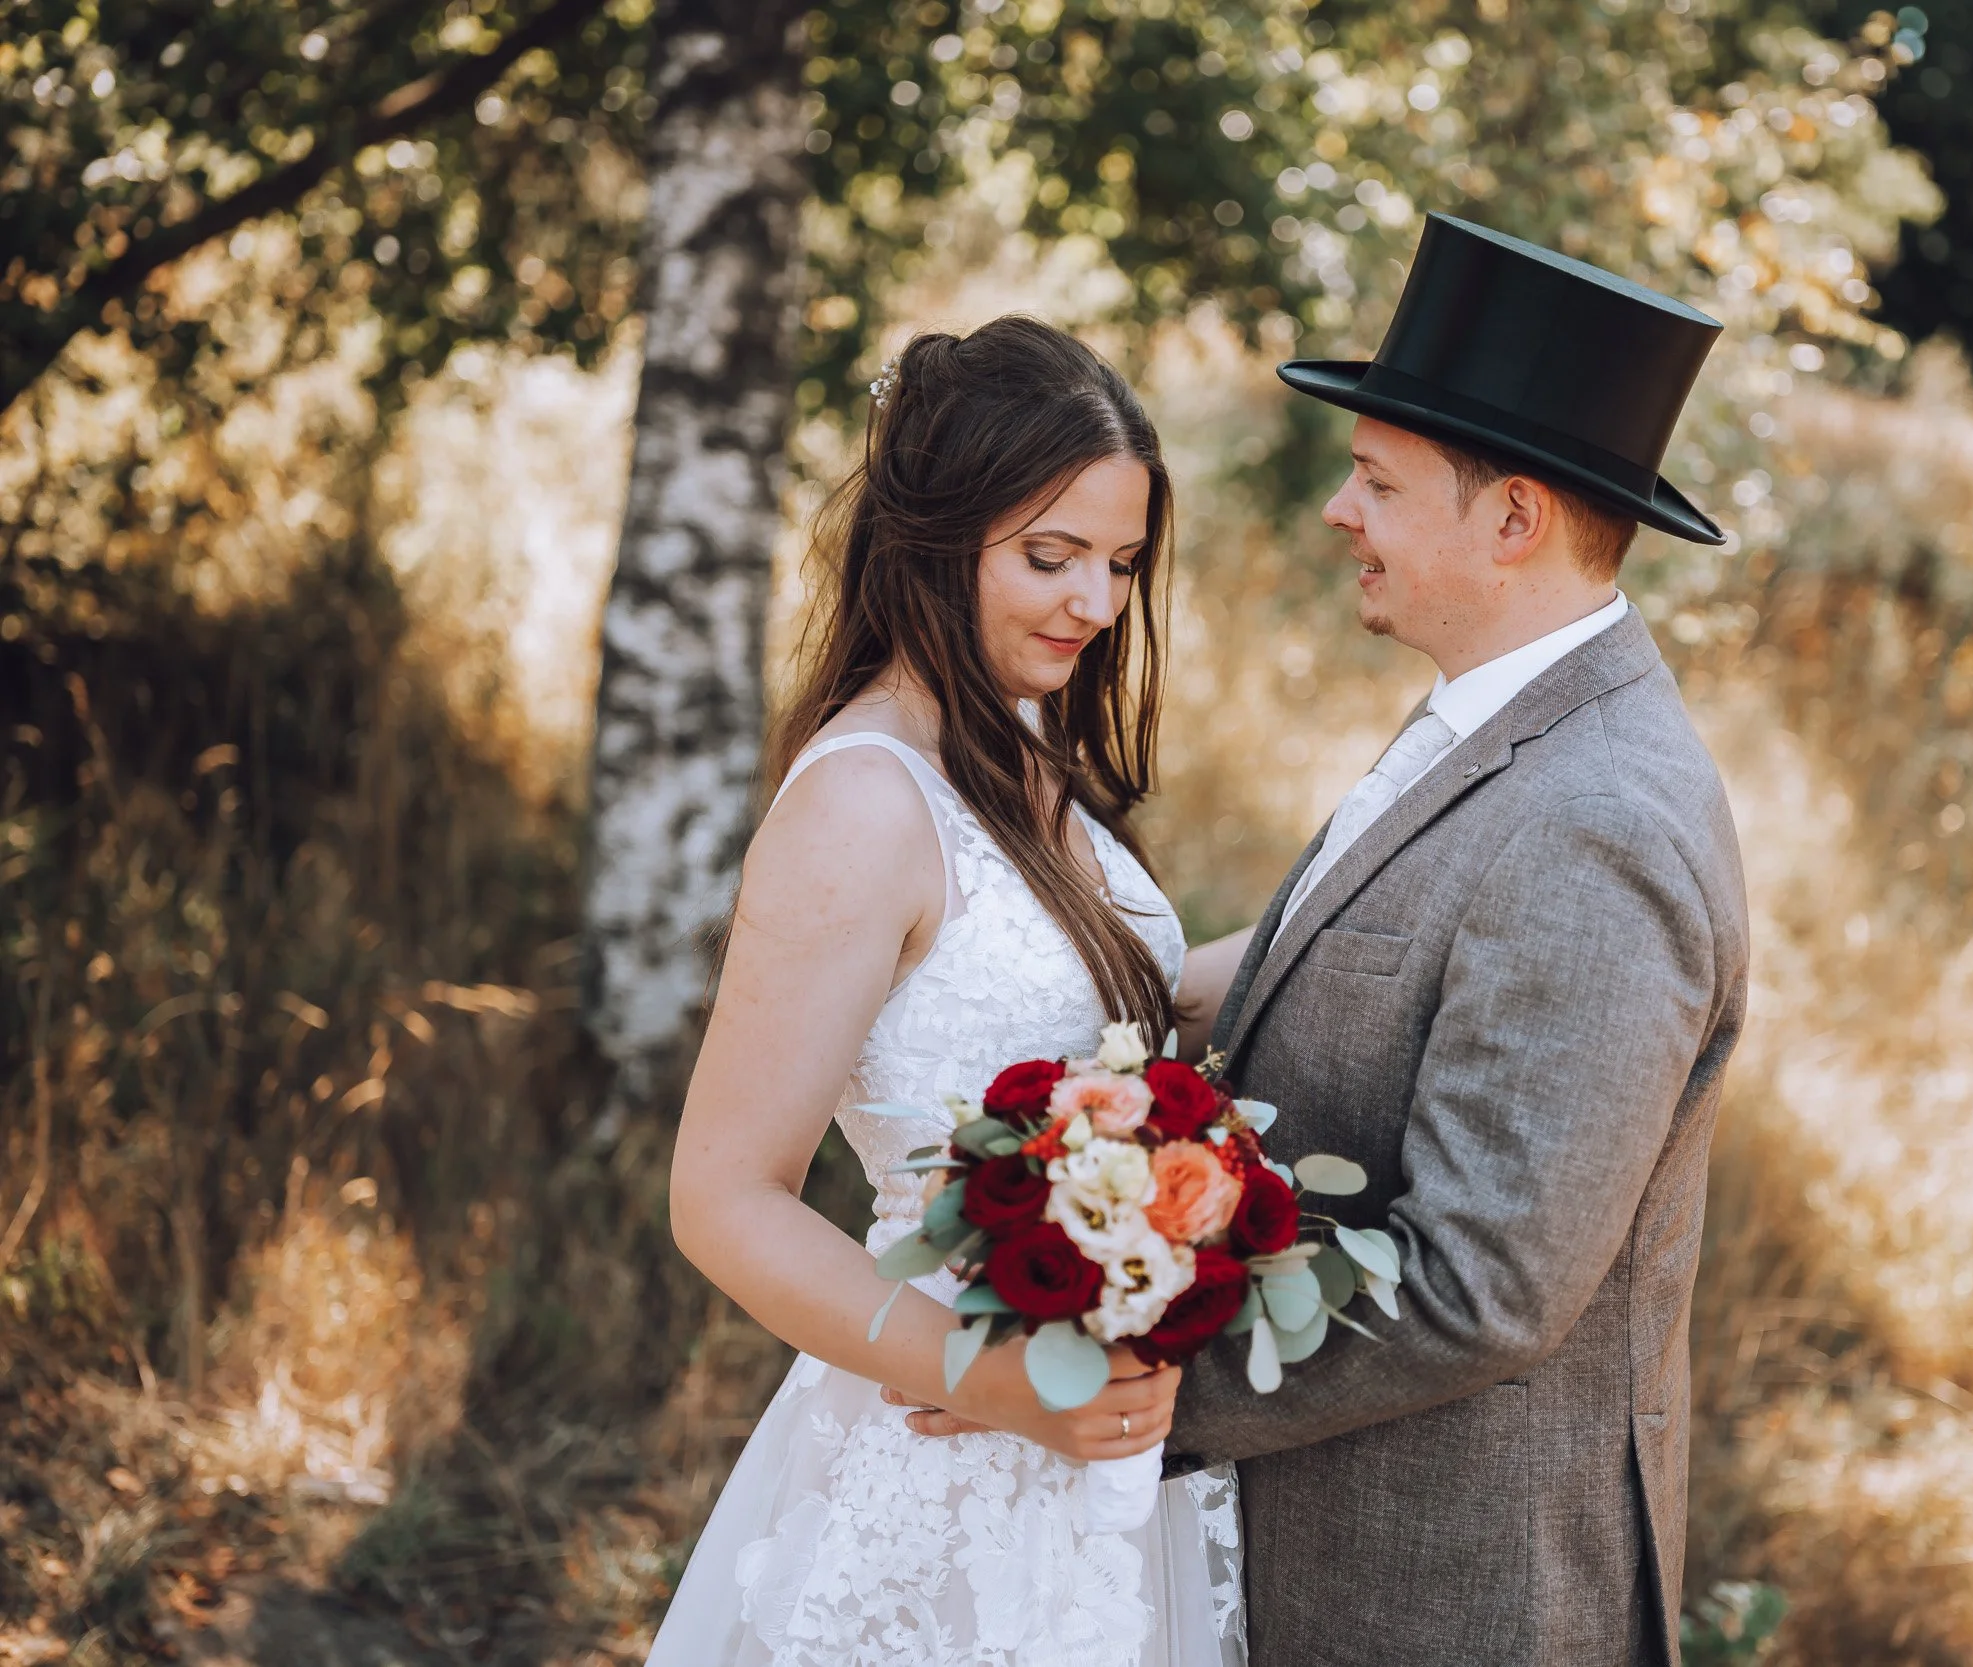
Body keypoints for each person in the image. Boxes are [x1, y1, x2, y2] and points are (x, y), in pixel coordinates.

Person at [903, 215, 1751, 1665]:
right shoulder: (1487, 720)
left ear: (1513, 520)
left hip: (1448, 1596)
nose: (1336, 513)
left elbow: (1486, 1283)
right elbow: (1342, 955)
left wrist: (1130, 1379)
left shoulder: (1598, 820)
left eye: (1375, 479)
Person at [651, 316, 1246, 1667]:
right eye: (1050, 557)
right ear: (932, 536)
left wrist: (1359, 923)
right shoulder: (864, 802)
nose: (1094, 604)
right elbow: (724, 1195)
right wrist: (1002, 1382)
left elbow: (1126, 1015)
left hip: (1089, 1460)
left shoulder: (1016, 747)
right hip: (950, 1445)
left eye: (1120, 563)